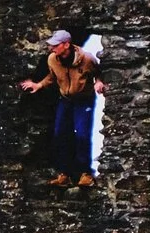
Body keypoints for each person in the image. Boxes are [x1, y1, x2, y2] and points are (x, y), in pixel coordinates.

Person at [19, 29, 106, 186]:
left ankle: (85, 174)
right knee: (60, 134)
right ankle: (64, 174)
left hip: (83, 100)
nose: (52, 48)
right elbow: (52, 77)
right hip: (65, 100)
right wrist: (39, 85)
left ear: (66, 45)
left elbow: (98, 73)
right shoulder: (52, 59)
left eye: (56, 45)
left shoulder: (87, 59)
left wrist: (98, 82)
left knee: (82, 135)